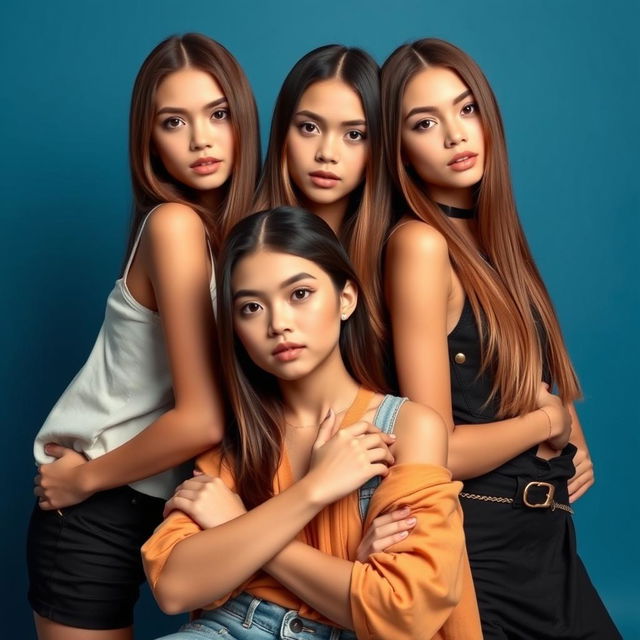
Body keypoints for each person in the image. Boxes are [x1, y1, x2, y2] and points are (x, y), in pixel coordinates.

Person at [142, 207, 482, 640]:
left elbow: (402, 611)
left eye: (299, 294)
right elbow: (174, 588)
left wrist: (240, 525)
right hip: (235, 627)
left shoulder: (408, 427)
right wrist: (315, 490)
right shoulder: (238, 438)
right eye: (251, 307)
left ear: (345, 299)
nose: (278, 323)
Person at [381, 37, 621, 638]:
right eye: (425, 122)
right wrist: (547, 426)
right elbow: (431, 453)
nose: (456, 135)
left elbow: (541, 384)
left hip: (548, 544)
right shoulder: (421, 244)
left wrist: (565, 422)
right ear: (399, 148)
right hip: (481, 552)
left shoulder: (496, 244)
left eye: (466, 110)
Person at [27, 33, 260, 640]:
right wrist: (81, 479)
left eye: (217, 114)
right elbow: (203, 419)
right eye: (173, 122)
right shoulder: (175, 224)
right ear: (150, 142)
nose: (201, 140)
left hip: (172, 504)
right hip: (96, 499)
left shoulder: (243, 239)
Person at [254, 45, 390, 366]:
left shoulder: (398, 253)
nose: (326, 152)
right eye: (309, 127)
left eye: (354, 134)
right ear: (282, 133)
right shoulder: (242, 246)